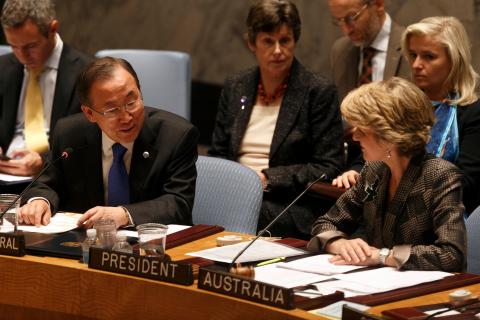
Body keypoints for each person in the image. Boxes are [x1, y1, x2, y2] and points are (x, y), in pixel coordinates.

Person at [209, 0, 344, 239]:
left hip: (286, 203)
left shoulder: (317, 91)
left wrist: (268, 178)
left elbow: (329, 166)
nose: (278, 50)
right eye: (268, 42)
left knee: (242, 215)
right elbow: (219, 152)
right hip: (233, 193)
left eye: (285, 40)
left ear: (295, 40)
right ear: (252, 43)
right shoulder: (236, 85)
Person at [19, 57, 199, 229]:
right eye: (112, 110)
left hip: (152, 246)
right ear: (89, 114)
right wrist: (40, 201)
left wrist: (124, 214)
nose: (127, 117)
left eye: (132, 101)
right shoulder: (70, 134)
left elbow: (179, 202)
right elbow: (47, 183)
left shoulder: (176, 135)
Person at [308, 78, 466, 272]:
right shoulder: (373, 170)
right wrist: (338, 243)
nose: (355, 137)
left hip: (423, 292)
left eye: (362, 129)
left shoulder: (440, 177)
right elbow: (326, 222)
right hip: (375, 284)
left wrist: (382, 256)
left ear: (389, 134)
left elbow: (452, 255)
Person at [0, 0, 91, 178]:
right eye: (14, 46)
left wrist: (45, 161)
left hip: (57, 177)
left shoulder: (87, 73)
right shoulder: (2, 67)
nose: (22, 57)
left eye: (31, 46)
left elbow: (88, 140)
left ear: (53, 29)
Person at [402, 16, 480, 214]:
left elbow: (468, 183)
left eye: (429, 56)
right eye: (413, 54)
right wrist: (356, 171)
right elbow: (371, 158)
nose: (416, 64)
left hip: (446, 219)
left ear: (454, 60)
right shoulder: (402, 103)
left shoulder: (473, 112)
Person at [328, 0, 410, 103]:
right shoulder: (340, 51)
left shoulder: (410, 47)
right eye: (339, 21)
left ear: (378, 5)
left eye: (352, 18)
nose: (346, 30)